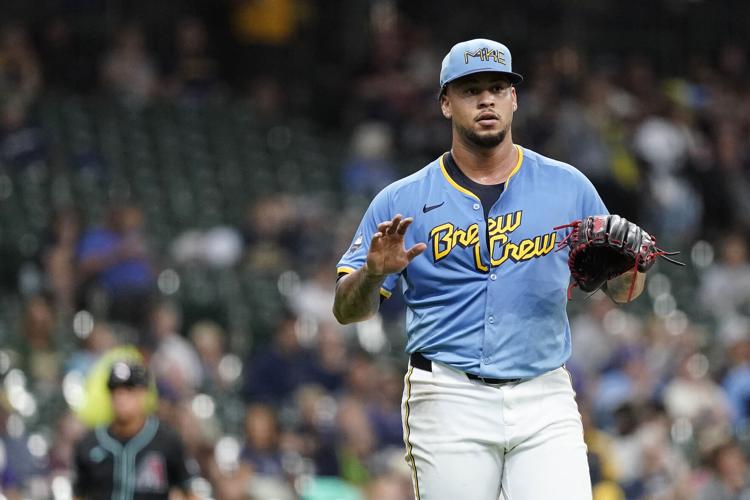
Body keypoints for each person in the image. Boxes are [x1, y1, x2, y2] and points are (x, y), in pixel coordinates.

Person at [333, 38, 652, 500]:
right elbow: (348, 311)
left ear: (514, 99)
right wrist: (373, 273)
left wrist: (631, 265)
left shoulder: (568, 187)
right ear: (446, 103)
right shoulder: (401, 200)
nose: (486, 100)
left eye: (497, 88)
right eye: (471, 90)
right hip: (448, 395)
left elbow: (624, 293)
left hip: (543, 394)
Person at [73, 360, 199, 499]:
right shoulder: (89, 443)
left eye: (129, 390)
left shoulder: (168, 441)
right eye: (115, 391)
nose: (121, 398)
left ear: (143, 394)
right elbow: (78, 494)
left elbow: (189, 492)